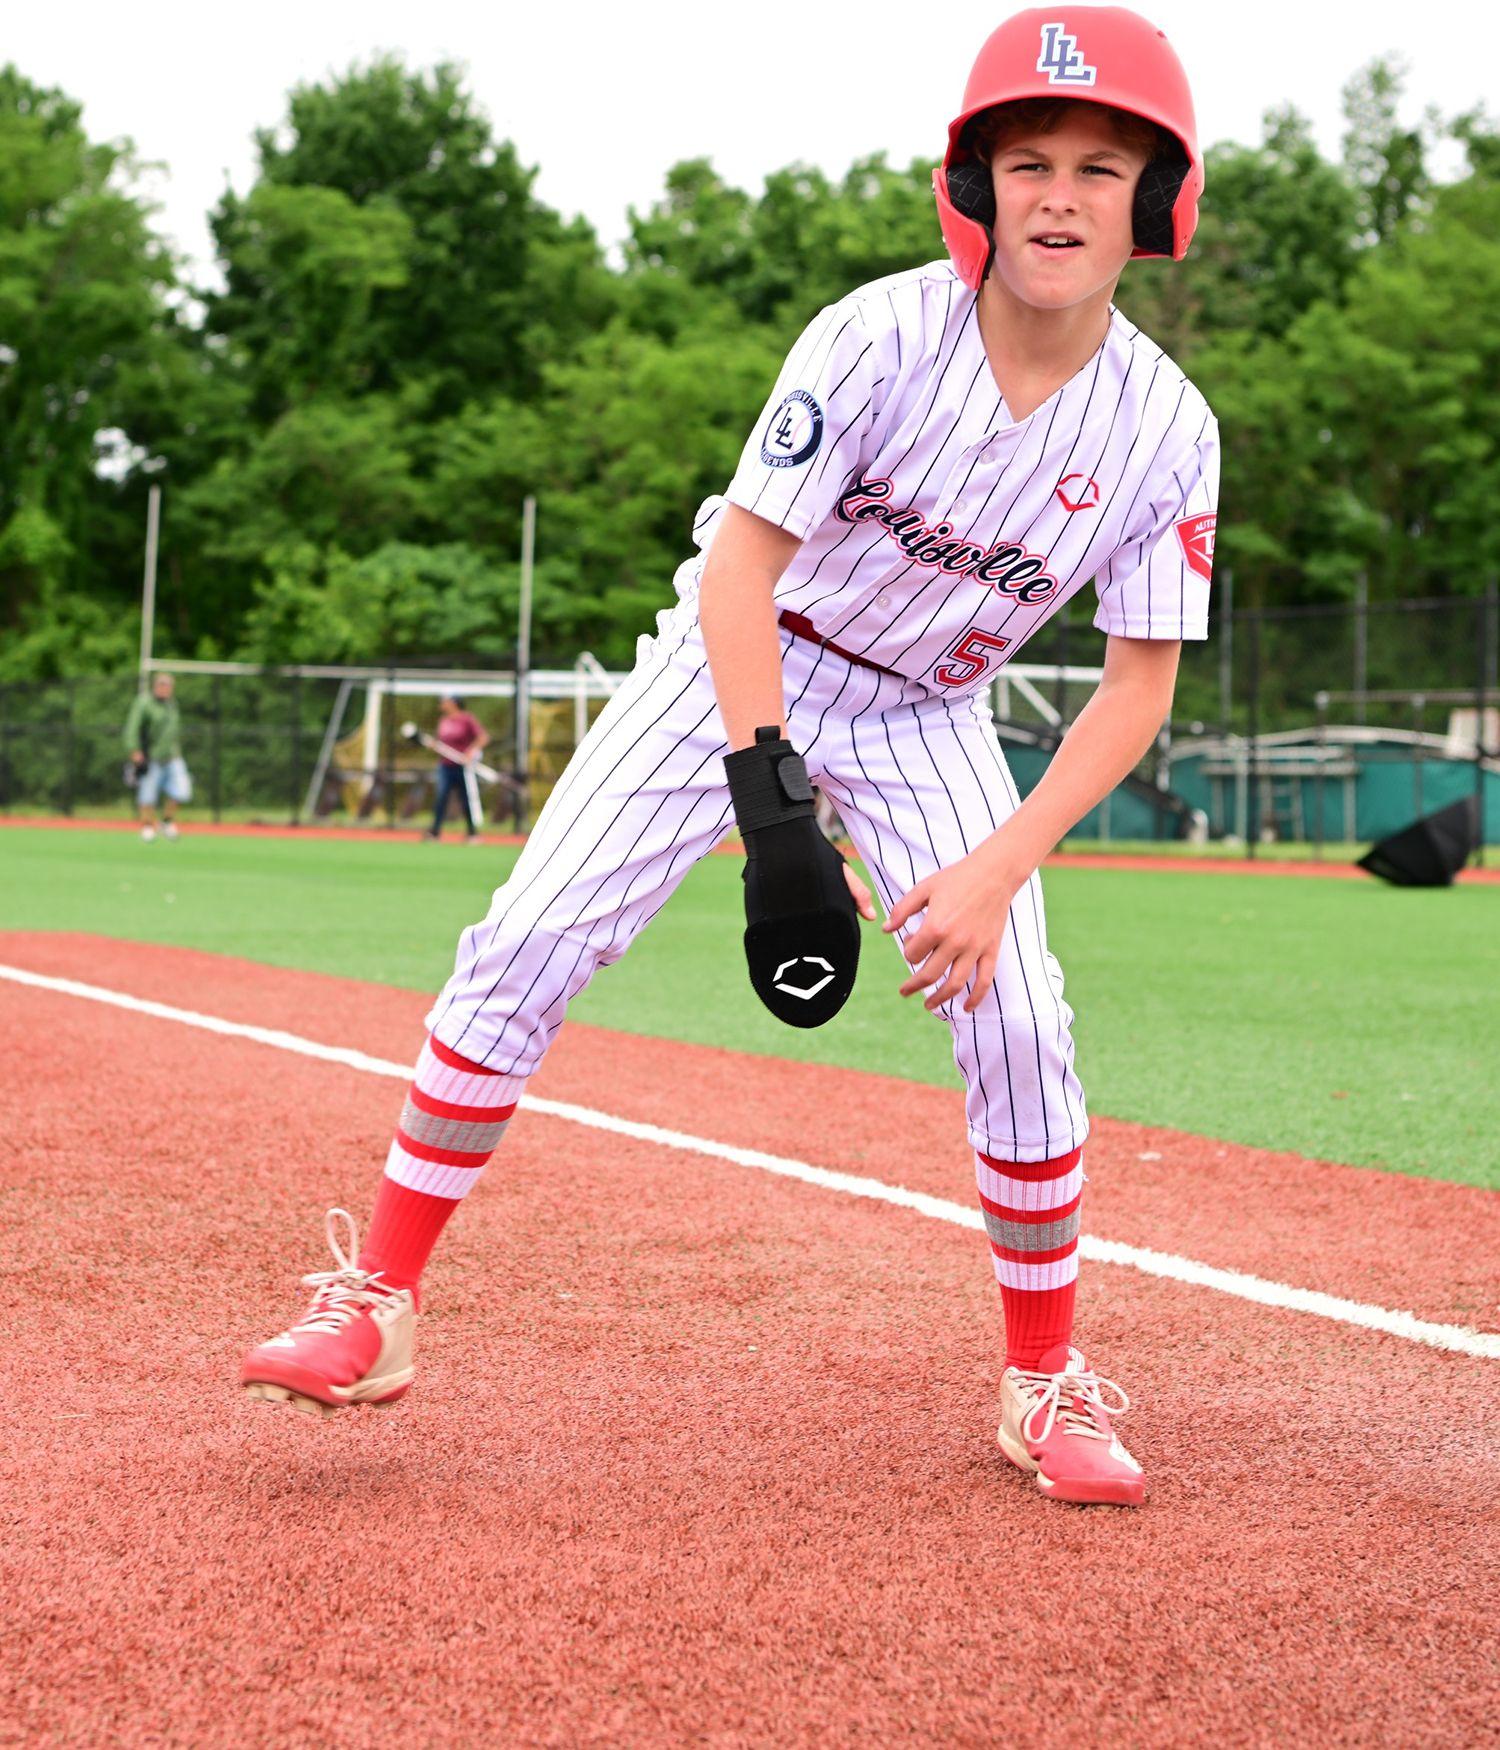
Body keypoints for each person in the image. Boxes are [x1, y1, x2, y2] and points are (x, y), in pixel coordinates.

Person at [242, 6, 1217, 1509]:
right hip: (742, 653)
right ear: (977, 185)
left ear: (1158, 200)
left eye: (1101, 164)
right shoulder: (879, 333)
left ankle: (1045, 1380)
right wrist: (776, 818)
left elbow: (1136, 690)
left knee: (1020, 1015)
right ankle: (374, 1301)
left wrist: (992, 867)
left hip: (930, 716)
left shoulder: (1167, 427)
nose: (1061, 195)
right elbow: (739, 573)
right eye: (1026, 161)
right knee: (534, 934)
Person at [123, 671, 191, 842]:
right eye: (162, 685)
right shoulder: (144, 703)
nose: (166, 689)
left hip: (173, 756)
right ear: (155, 686)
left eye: (169, 686)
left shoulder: (172, 704)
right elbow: (132, 727)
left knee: (181, 791)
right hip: (151, 757)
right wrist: (134, 750)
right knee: (147, 794)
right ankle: (147, 826)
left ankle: (167, 822)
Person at [422, 695, 489, 842]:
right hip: (445, 766)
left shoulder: (466, 718)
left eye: (445, 701)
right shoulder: (443, 721)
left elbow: (483, 737)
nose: (442, 704)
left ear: (454, 703)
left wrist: (470, 752)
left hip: (463, 767)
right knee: (441, 798)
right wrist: (433, 745)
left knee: (466, 799)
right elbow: (440, 742)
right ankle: (435, 832)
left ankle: (472, 833)